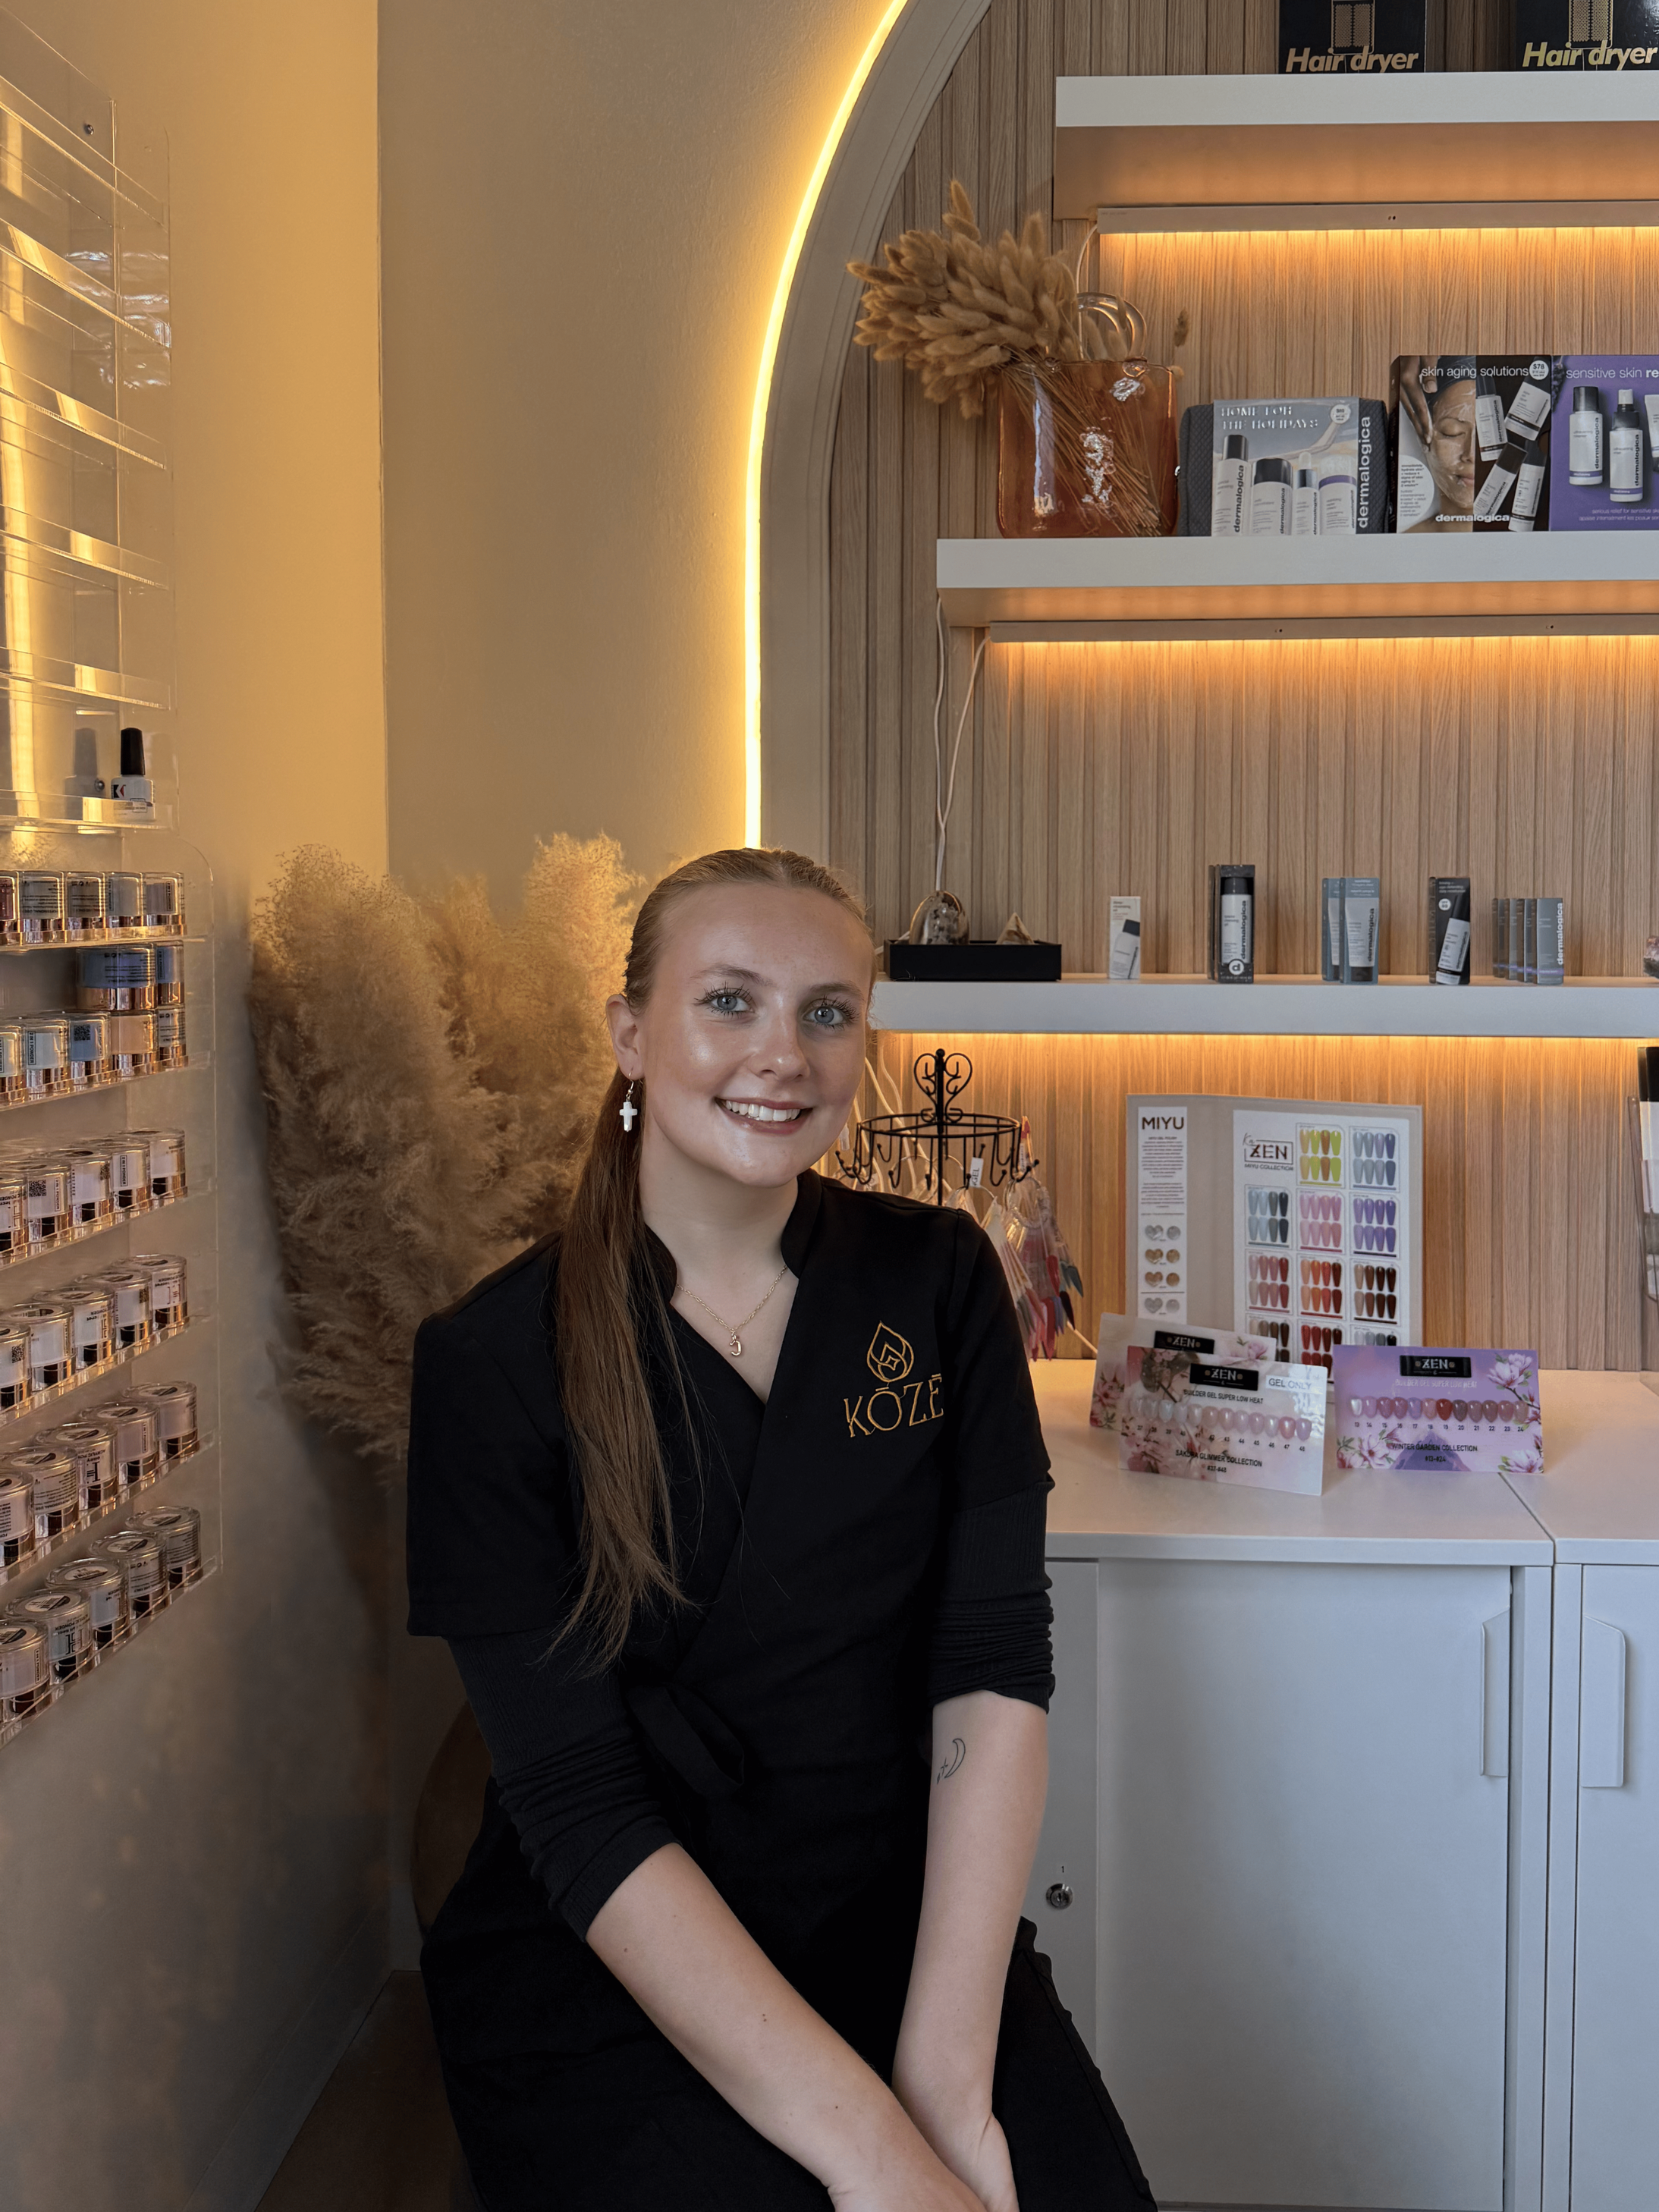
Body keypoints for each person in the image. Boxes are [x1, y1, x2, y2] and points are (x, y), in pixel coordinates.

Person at [406, 847, 1155, 2212]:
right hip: (620, 1959)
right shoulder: (493, 1360)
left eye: (827, 1011)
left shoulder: (937, 1284)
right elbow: (575, 1806)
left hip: (903, 1929)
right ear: (632, 1035)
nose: (783, 1055)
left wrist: (938, 2083)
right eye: (731, 1003)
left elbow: (991, 1667)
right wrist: (878, 2162)